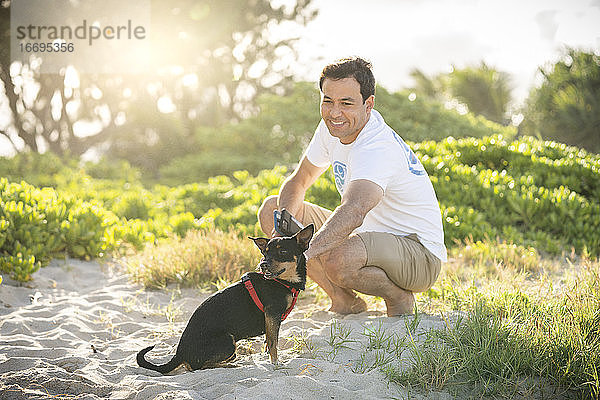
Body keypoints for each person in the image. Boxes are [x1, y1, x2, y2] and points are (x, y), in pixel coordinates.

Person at [257, 57, 446, 316]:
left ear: (368, 104)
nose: (335, 112)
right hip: (368, 234)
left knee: (338, 259)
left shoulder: (376, 147)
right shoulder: (333, 128)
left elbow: (354, 211)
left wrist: (302, 252)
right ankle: (344, 300)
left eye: (346, 103)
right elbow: (299, 181)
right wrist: (284, 229)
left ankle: (399, 297)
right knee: (272, 209)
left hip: (418, 253)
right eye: (328, 101)